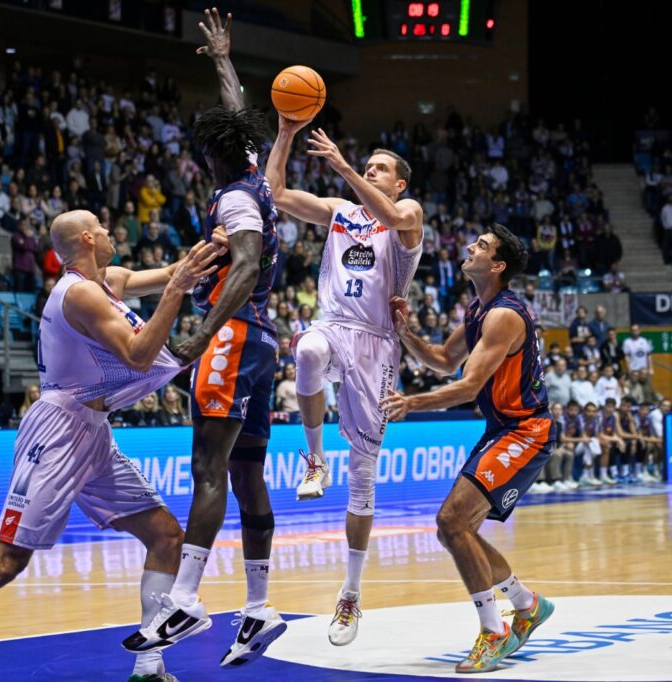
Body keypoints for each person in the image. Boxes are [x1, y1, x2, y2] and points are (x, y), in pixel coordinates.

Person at [0, 209, 225, 682]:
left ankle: (148, 669)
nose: (110, 232)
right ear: (87, 239)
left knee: (165, 536)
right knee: (6, 562)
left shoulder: (109, 282)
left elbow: (172, 272)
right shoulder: (80, 294)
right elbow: (141, 355)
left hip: (94, 431)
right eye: (103, 227)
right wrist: (175, 291)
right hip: (58, 432)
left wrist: (222, 243)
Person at [130, 11, 287, 668]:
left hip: (234, 333)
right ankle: (259, 607)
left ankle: (188, 599)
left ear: (205, 157)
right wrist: (224, 58)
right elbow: (239, 113)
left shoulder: (234, 201)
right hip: (266, 341)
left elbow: (246, 265)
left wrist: (200, 333)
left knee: (207, 469)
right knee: (248, 475)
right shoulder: (250, 173)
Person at [267, 69, 424, 650]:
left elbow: (388, 216)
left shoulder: (409, 216)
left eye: (381, 167)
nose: (372, 170)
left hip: (378, 346)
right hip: (334, 326)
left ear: (400, 182)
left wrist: (341, 164)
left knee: (364, 484)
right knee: (305, 349)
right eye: (370, 165)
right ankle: (313, 460)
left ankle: (351, 592)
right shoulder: (339, 211)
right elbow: (277, 194)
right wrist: (286, 132)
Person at [381, 225, 555, 673]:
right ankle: (526, 603)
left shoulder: (503, 315)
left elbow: (468, 385)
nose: (470, 248)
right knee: (453, 528)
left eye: (481, 246)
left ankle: (493, 631)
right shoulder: (479, 309)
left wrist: (411, 402)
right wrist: (406, 332)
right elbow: (442, 360)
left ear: (497, 266)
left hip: (525, 430)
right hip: (503, 428)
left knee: (451, 521)